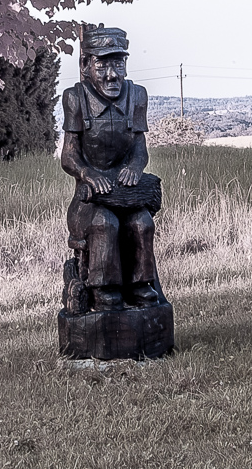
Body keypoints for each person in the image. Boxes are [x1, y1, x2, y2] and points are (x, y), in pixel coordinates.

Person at [60, 26, 160, 311]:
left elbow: (139, 147)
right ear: (85, 65)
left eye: (118, 64)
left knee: (142, 223)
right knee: (104, 224)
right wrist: (88, 174)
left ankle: (141, 285)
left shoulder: (136, 96)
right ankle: (103, 288)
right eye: (102, 65)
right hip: (90, 200)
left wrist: (136, 166)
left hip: (125, 194)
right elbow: (69, 156)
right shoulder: (75, 98)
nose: (112, 75)